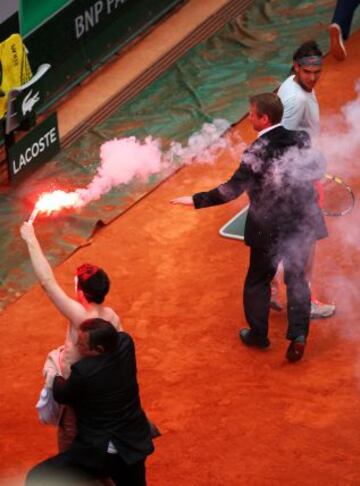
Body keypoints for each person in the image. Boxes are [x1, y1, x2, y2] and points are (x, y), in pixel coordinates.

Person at [171, 93, 328, 362]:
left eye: (252, 114)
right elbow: (315, 169)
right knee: (297, 280)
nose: (250, 117)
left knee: (257, 280)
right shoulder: (302, 139)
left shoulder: (254, 152)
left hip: (268, 228)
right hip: (301, 224)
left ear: (264, 118)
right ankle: (299, 336)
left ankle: (258, 335)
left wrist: (195, 200)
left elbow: (231, 190)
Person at [20, 221, 121, 450]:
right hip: (102, 395)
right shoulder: (112, 317)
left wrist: (30, 239)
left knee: (76, 459)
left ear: (81, 291)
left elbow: (47, 282)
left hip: (79, 401)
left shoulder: (80, 316)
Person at [26, 318, 154, 485]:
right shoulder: (125, 343)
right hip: (134, 445)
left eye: (81, 346)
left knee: (37, 476)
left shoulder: (84, 373)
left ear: (98, 349)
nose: (76, 347)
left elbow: (62, 394)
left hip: (100, 454)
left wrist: (53, 371)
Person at [272, 40, 336, 319]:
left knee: (282, 239)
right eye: (307, 72)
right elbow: (280, 139)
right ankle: (305, 301)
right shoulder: (296, 101)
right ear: (297, 67)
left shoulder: (290, 84)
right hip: (297, 180)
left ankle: (271, 286)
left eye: (317, 72)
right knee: (305, 244)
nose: (313, 77)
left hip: (291, 176)